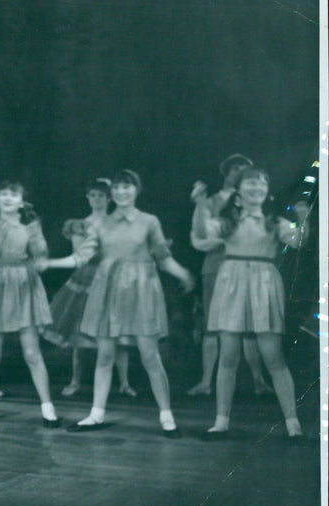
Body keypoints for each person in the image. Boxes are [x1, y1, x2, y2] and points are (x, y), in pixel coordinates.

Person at [69, 170, 194, 437]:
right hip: (109, 292)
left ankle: (166, 416)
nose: (121, 192)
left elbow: (162, 256)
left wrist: (181, 272)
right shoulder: (101, 224)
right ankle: (96, 414)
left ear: (136, 190)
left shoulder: (149, 221)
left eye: (127, 187)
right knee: (104, 355)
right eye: (117, 187)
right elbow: (81, 256)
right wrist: (49, 263)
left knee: (150, 355)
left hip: (141, 291)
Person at [191, 167, 306, 439]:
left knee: (274, 357)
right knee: (228, 355)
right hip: (231, 284)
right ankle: (221, 423)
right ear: (239, 193)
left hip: (264, 285)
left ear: (266, 192)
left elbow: (298, 241)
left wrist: (303, 218)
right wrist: (198, 204)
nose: (256, 187)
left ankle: (293, 425)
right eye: (250, 183)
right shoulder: (226, 222)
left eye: (261, 183)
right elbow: (201, 233)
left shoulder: (276, 222)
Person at [0, 181, 79, 427]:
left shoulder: (29, 227)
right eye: (4, 194)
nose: (8, 198)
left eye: (14, 194)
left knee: (32, 352)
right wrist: (2, 229)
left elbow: (40, 255)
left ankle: (48, 408)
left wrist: (34, 231)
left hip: (23, 285)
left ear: (21, 201)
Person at [186, 154, 274, 397]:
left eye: (245, 168)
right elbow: (199, 240)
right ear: (226, 172)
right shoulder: (212, 202)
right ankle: (205, 382)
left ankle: (258, 381)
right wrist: (232, 240)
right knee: (212, 327)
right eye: (236, 168)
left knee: (249, 326)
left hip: (248, 272)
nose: (240, 171)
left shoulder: (258, 202)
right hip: (216, 268)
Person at [41, 178, 135, 398]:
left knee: (118, 334)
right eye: (93, 195)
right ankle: (75, 381)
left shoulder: (118, 222)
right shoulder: (79, 224)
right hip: (87, 278)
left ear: (109, 198)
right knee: (79, 334)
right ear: (87, 197)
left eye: (101, 195)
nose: (97, 199)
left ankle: (124, 382)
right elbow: (80, 254)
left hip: (112, 278)